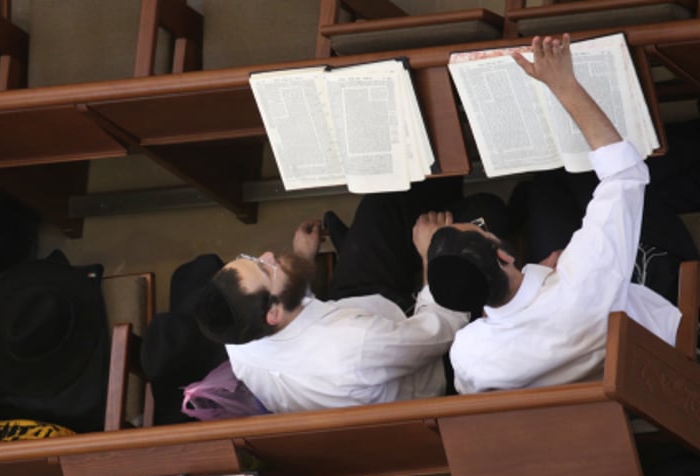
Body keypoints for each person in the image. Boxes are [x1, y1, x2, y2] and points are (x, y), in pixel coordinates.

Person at [425, 34, 682, 394]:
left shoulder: (469, 354)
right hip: (654, 328)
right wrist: (563, 84)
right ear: (502, 255)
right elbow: (623, 174)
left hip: (597, 383)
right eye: (484, 232)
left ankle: (538, 187)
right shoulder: (583, 277)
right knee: (598, 182)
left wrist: (539, 277)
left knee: (547, 189)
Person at [191, 186, 478, 413]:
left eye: (251, 259)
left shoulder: (239, 335)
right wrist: (432, 255)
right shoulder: (351, 345)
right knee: (482, 216)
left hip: (352, 308)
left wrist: (299, 260)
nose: (267, 254)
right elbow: (441, 329)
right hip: (426, 354)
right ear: (273, 313)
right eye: (266, 268)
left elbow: (292, 313)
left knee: (380, 203)